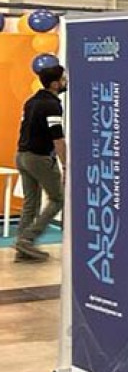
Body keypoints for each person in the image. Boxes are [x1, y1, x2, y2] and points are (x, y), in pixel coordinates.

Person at [14, 65, 67, 262]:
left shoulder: (31, 101)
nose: (65, 82)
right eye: (63, 79)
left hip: (22, 155)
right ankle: (28, 238)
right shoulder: (52, 105)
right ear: (55, 84)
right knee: (58, 199)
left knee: (31, 203)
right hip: (39, 158)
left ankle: (23, 247)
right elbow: (57, 137)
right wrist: (65, 164)